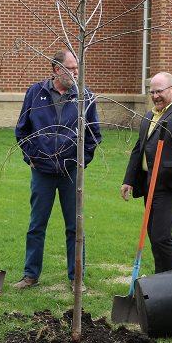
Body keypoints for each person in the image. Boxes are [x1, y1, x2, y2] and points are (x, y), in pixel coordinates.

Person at [13, 49, 103, 293]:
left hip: (71, 173)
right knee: (37, 224)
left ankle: (76, 278)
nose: (76, 73)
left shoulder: (85, 96)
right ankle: (31, 275)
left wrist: (80, 162)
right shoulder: (35, 92)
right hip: (42, 172)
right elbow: (22, 130)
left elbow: (93, 135)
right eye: (72, 68)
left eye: (78, 68)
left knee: (75, 226)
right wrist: (31, 157)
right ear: (57, 69)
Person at [121, 72, 172, 273]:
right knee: (154, 237)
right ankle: (161, 281)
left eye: (159, 91)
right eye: (152, 92)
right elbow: (139, 149)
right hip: (149, 183)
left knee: (161, 237)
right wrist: (129, 180)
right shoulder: (149, 115)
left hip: (169, 183)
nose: (155, 96)